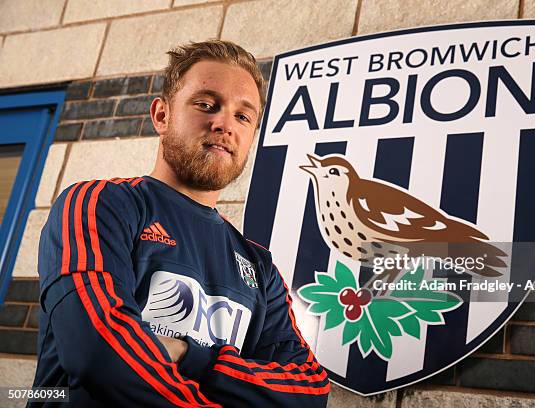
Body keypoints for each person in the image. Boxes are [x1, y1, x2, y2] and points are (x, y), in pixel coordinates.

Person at [29, 40, 329, 407]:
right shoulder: (100, 205)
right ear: (161, 115)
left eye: (243, 116)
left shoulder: (259, 267)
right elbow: (101, 355)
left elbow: (309, 391)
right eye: (206, 104)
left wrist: (192, 357)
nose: (224, 124)